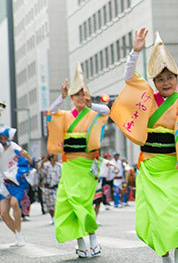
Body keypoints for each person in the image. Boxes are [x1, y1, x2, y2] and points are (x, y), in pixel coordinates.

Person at [111, 28, 178, 263]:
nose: (165, 82)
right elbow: (129, 78)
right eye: (160, 79)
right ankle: (165, 258)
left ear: (177, 79)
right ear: (154, 81)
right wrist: (136, 51)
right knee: (154, 218)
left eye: (169, 78)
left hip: (174, 166)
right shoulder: (146, 99)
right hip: (151, 168)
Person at [47, 66, 110, 257]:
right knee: (70, 204)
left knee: (83, 203)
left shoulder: (93, 113)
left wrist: (92, 105)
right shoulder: (66, 115)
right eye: (76, 95)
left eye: (83, 95)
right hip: (70, 166)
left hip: (87, 165)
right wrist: (62, 97)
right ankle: (81, 242)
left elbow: (106, 110)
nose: (80, 98)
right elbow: (51, 111)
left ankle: (93, 240)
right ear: (72, 98)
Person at [0, 126, 32, 247]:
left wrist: (27, 157)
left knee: (14, 204)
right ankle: (18, 235)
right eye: (1, 138)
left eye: (5, 137)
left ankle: (19, 235)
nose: (3, 140)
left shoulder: (15, 147)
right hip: (3, 183)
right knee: (3, 213)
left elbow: (28, 161)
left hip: (17, 182)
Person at [40, 153, 62, 225]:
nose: (56, 157)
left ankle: (57, 217)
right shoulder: (46, 166)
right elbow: (42, 174)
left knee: (57, 203)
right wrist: (42, 163)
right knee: (49, 205)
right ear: (51, 158)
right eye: (55, 156)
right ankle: (52, 217)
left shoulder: (59, 166)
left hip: (56, 187)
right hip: (48, 187)